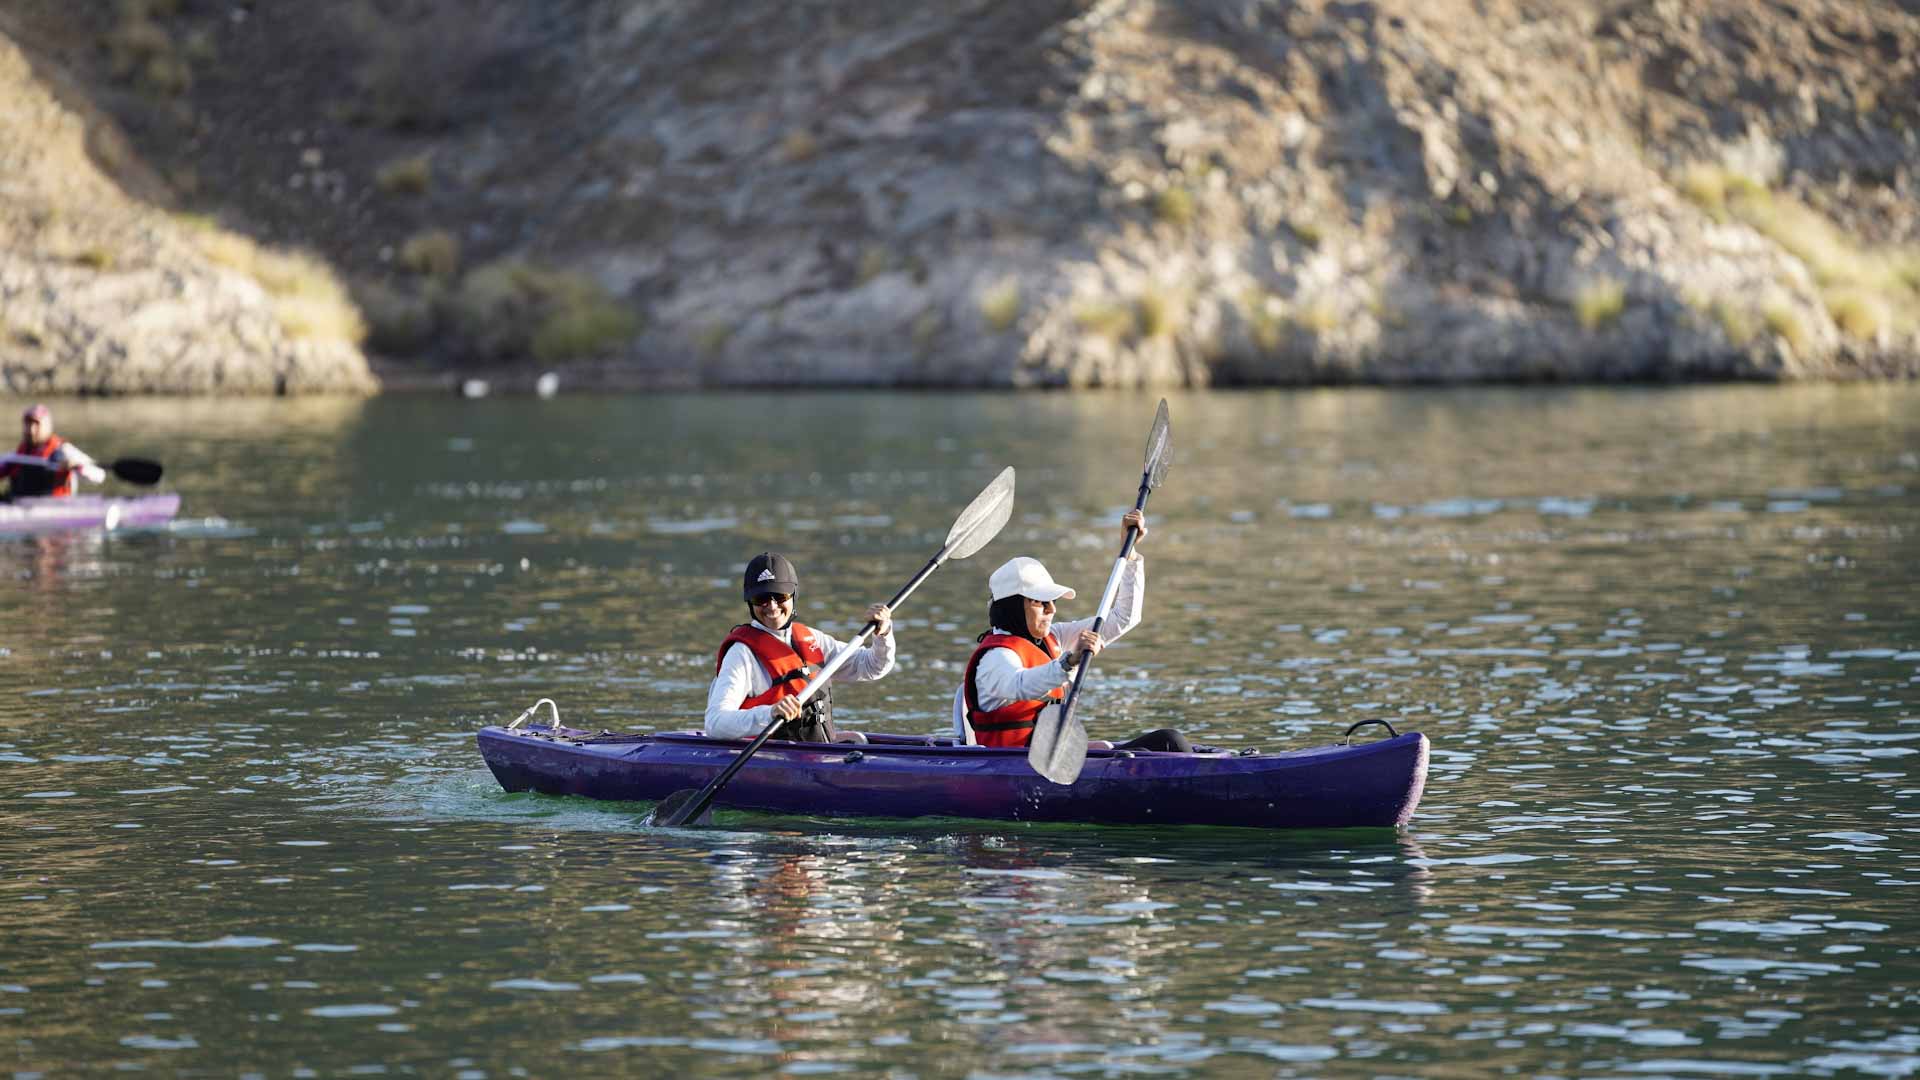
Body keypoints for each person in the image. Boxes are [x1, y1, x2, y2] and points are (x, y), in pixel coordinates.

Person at [954, 509, 1191, 752]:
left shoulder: (1053, 638)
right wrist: (1069, 662)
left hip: (1053, 758)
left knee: (1169, 741)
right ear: (1013, 608)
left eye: (1051, 601)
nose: (1052, 609)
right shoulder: (995, 659)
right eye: (1040, 602)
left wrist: (1129, 555)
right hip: (1011, 768)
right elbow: (1021, 684)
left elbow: (1123, 617)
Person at [705, 551, 896, 743]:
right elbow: (715, 723)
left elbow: (872, 667)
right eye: (761, 598)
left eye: (780, 597)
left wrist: (883, 634)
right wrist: (770, 713)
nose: (772, 607)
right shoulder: (741, 654)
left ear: (793, 596)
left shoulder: (812, 640)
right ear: (750, 602)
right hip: (772, 762)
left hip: (823, 757)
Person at [1, 405, 105, 499]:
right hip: (21, 510)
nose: (31, 430)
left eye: (36, 424)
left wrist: (76, 466)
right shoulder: (16, 457)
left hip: (56, 511)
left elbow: (99, 475)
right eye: (28, 424)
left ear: (47, 426)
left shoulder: (65, 451)